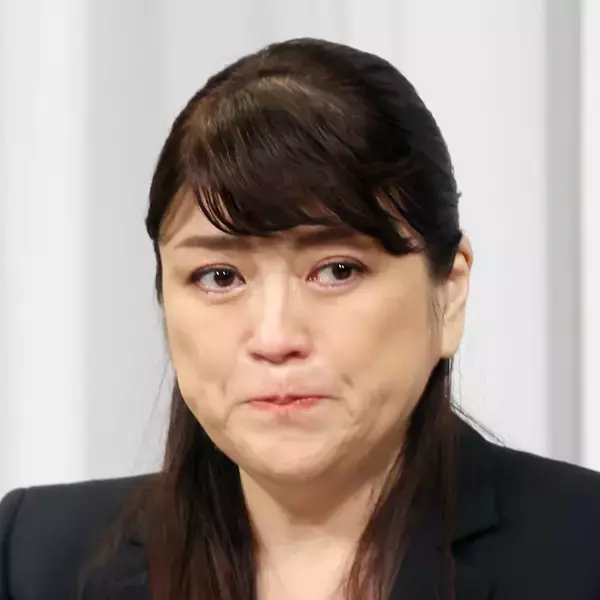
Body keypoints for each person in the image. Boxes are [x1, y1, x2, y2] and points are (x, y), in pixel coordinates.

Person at [1, 38, 599, 600]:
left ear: (449, 291)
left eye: (337, 270)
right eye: (219, 277)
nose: (275, 337)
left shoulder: (582, 552)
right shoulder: (36, 560)